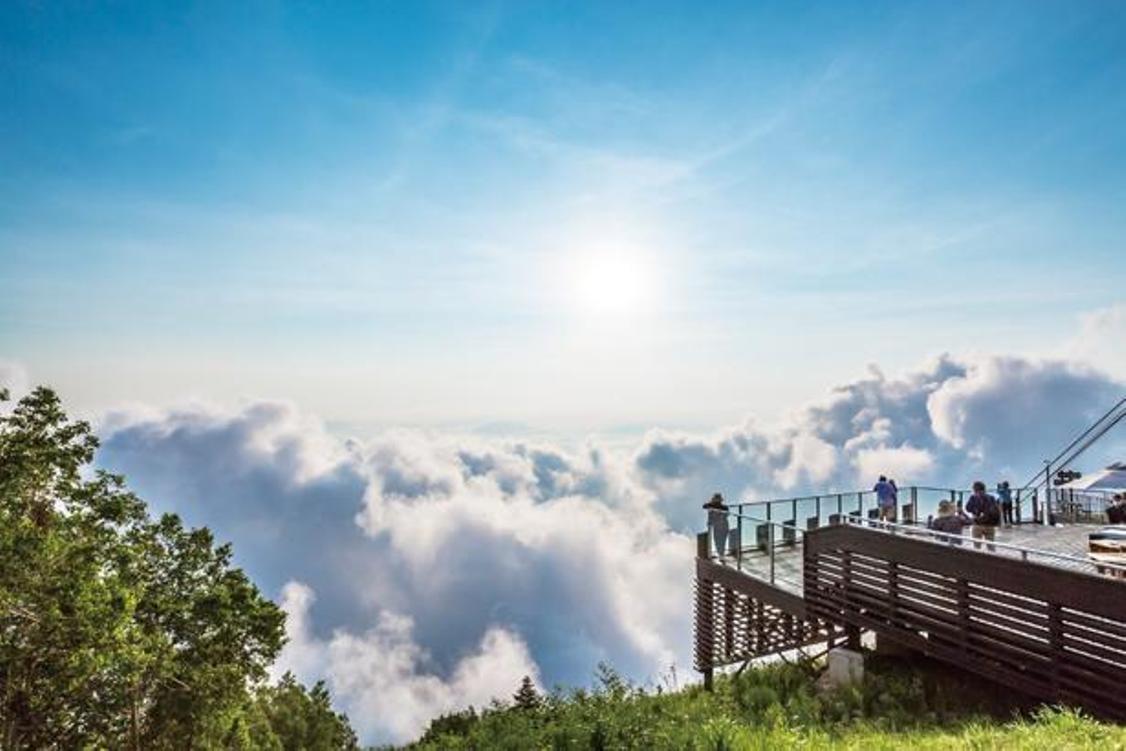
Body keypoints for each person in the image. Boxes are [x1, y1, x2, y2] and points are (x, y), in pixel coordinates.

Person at [966, 481, 1001, 551]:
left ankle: (977, 560)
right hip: (990, 525)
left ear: (974, 489)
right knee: (991, 546)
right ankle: (993, 560)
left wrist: (975, 512)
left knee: (977, 547)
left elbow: (968, 508)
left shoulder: (973, 497)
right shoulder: (991, 498)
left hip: (977, 524)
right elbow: (996, 510)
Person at [702, 493, 730, 560]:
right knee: (721, 541)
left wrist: (712, 507)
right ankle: (721, 555)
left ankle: (721, 555)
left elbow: (705, 506)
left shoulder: (719, 507)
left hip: (720, 526)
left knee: (719, 541)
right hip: (723, 526)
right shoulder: (723, 507)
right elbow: (704, 506)